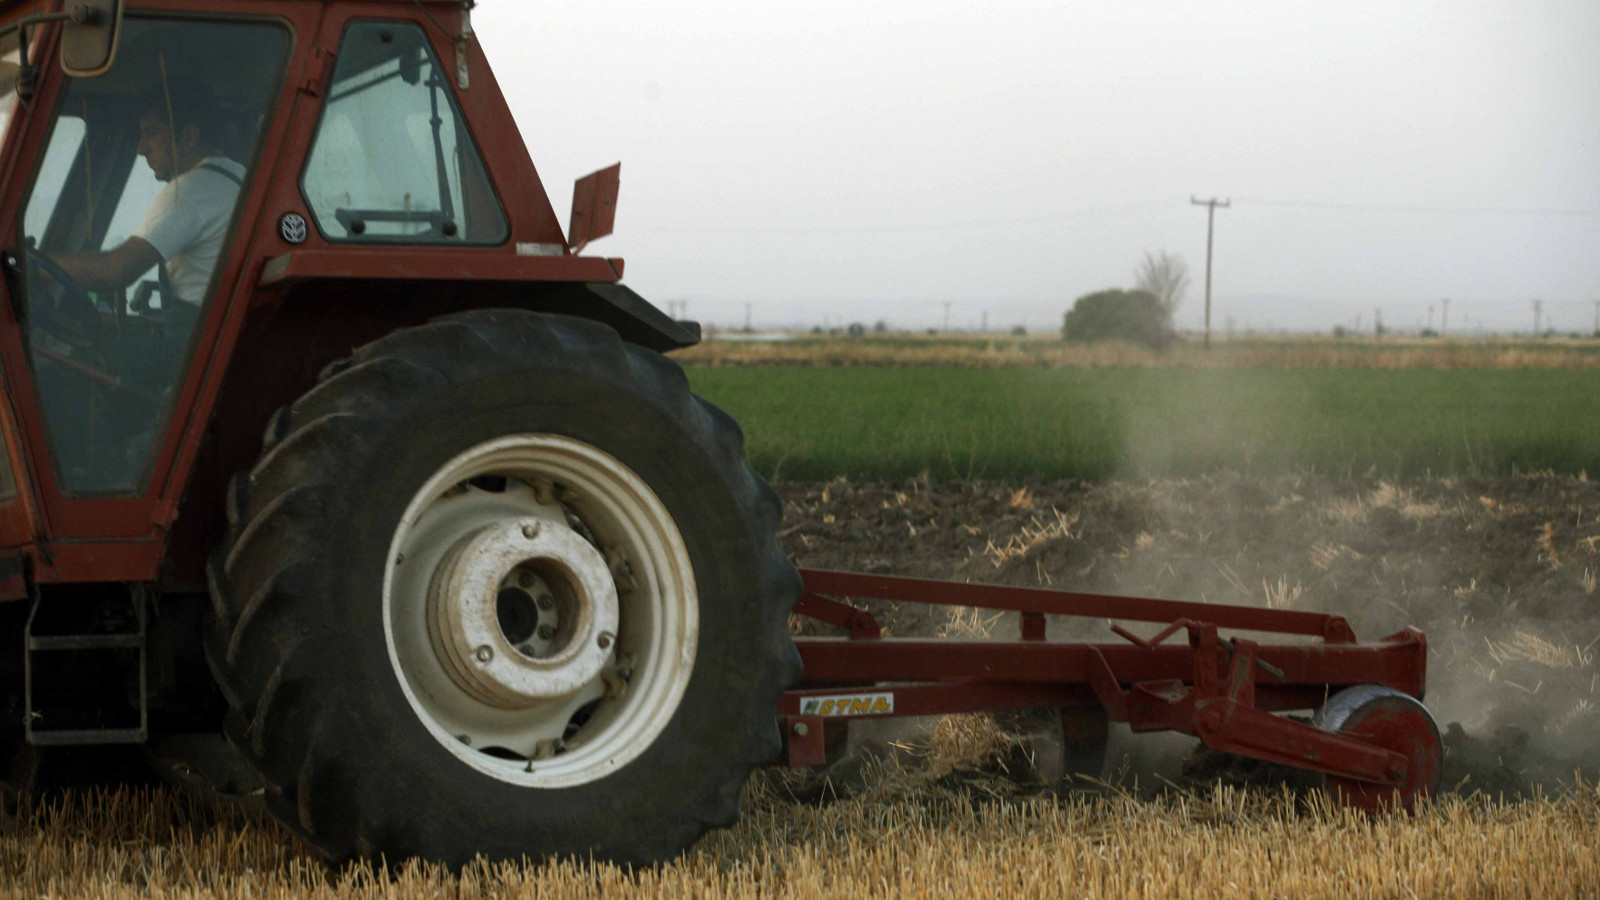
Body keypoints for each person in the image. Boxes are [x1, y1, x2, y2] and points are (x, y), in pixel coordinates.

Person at [52, 89, 244, 331]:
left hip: (196, 336)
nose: (141, 148)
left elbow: (117, 270)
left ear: (189, 137)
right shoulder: (237, 175)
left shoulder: (189, 190)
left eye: (151, 134)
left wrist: (35, 266)